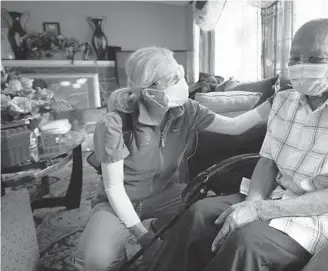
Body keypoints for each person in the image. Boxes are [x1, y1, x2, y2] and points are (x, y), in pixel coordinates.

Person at [151, 18, 328, 271]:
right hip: (277, 196)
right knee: (200, 214)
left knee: (247, 241)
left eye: (315, 59)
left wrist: (260, 211)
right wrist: (252, 203)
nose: (301, 67)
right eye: (295, 59)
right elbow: (268, 161)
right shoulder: (284, 100)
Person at [74, 46, 272, 271]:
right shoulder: (114, 124)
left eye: (179, 73)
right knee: (94, 261)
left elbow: (234, 127)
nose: (181, 82)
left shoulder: (187, 110)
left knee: (207, 214)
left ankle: (164, 233)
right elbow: (114, 189)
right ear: (149, 92)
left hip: (165, 194)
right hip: (120, 200)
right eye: (172, 79)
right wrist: (141, 234)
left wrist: (272, 103)